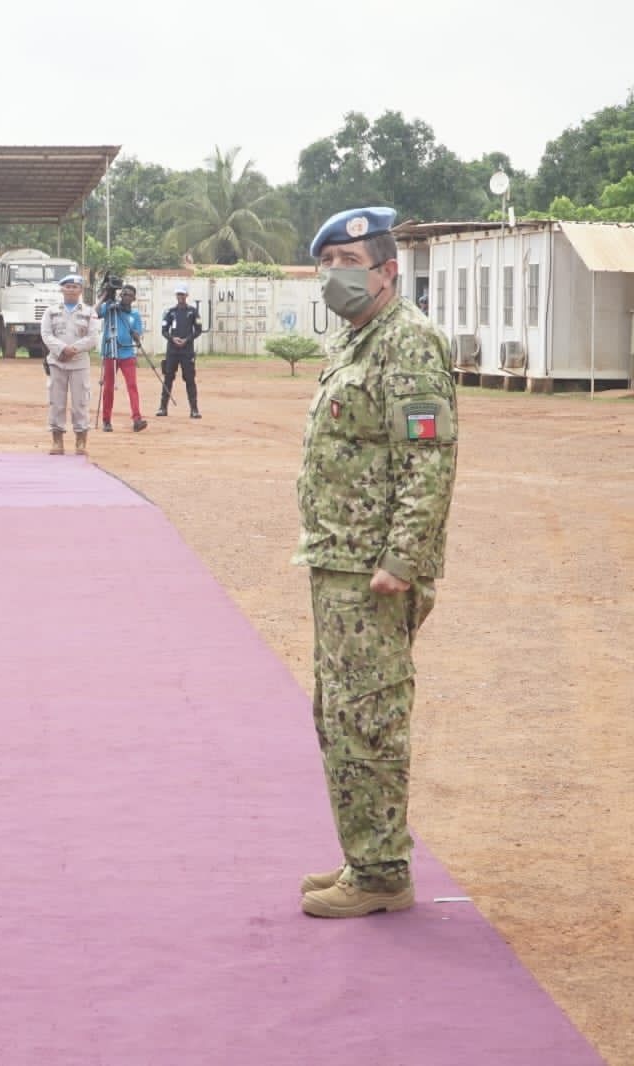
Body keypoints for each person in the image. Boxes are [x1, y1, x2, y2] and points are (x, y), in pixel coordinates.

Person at [295, 206, 457, 919]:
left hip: (374, 570)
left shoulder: (409, 343)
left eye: (347, 264)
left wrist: (402, 559)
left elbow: (428, 462)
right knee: (340, 712)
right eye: (326, 265)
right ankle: (366, 852)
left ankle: (384, 872)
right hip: (338, 560)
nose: (335, 277)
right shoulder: (356, 341)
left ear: (387, 271)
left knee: (370, 715)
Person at [38, 273, 97, 454]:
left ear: (81, 290)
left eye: (75, 287)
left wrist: (74, 350)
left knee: (80, 402)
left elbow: (93, 338)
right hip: (57, 362)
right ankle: (57, 441)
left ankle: (81, 441)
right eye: (68, 286)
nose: (71, 290)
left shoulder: (89, 312)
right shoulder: (51, 311)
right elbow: (46, 334)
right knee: (56, 402)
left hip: (79, 363)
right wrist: (62, 349)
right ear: (62, 289)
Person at [97, 282, 147, 433]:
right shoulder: (111, 309)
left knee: (132, 386)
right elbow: (96, 313)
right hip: (110, 354)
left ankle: (137, 419)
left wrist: (135, 335)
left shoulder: (135, 315)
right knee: (108, 388)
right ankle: (106, 420)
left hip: (127, 355)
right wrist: (104, 297)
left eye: (129, 295)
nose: (125, 297)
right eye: (123, 294)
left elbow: (138, 337)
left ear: (134, 299)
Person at [158, 283, 203, 418]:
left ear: (186, 296)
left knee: (190, 379)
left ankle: (194, 409)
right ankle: (162, 407)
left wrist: (187, 339)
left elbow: (198, 330)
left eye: (182, 294)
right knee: (168, 378)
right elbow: (164, 331)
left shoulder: (193, 312)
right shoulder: (170, 312)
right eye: (178, 294)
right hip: (172, 351)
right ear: (176, 296)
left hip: (187, 351)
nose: (180, 297)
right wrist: (173, 339)